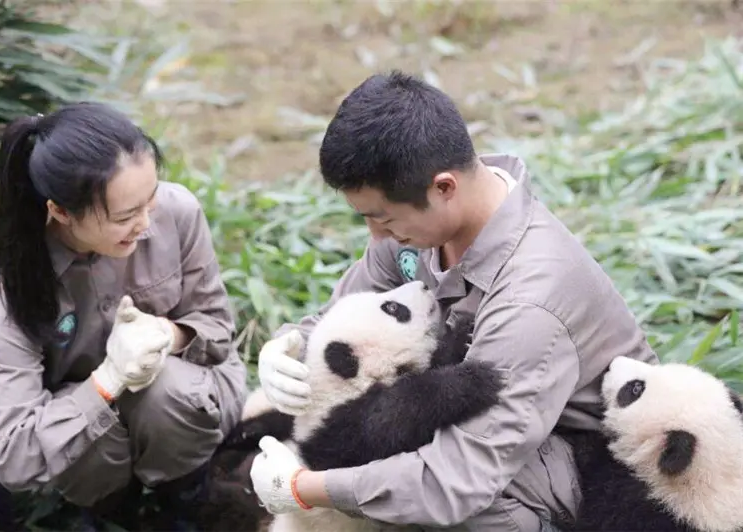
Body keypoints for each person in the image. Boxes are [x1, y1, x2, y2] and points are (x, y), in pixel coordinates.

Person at [249, 71, 660, 531]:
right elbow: (346, 317)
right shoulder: (417, 221)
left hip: (600, 475)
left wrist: (306, 488)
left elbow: (461, 478)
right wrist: (291, 345)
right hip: (513, 431)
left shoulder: (529, 301)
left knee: (452, 487)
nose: (376, 235)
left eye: (382, 218)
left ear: (443, 187)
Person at [0, 102, 248, 530]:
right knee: (86, 422)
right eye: (125, 216)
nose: (145, 223)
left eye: (150, 200)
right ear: (61, 212)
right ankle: (111, 509)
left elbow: (216, 328)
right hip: (91, 432)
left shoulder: (177, 212)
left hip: (187, 400)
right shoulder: (20, 276)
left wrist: (169, 335)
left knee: (163, 389)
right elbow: (13, 456)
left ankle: (186, 496)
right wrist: (107, 381)